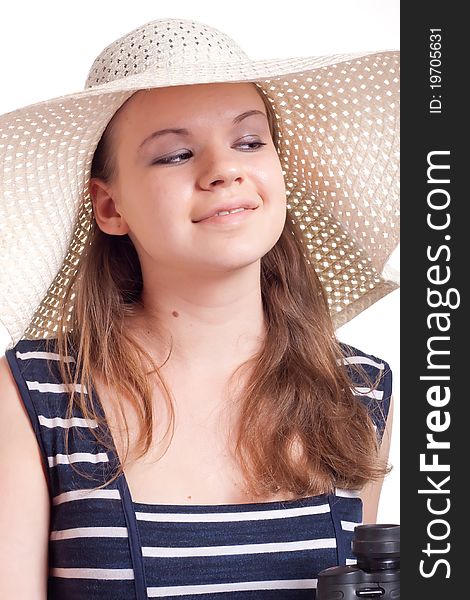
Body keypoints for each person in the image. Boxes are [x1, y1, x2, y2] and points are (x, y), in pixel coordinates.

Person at [0, 17, 399, 599]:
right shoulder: (35, 394)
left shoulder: (358, 392)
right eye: (176, 154)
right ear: (110, 207)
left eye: (249, 141)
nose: (223, 170)